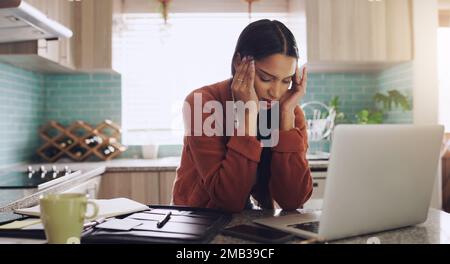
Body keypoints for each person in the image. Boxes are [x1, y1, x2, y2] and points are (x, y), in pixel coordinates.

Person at [173, 19, 313, 213]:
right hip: (196, 220)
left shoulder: (286, 109)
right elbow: (228, 200)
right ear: (239, 63)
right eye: (266, 78)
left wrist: (286, 116)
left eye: (286, 81)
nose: (276, 92)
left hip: (252, 221)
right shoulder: (202, 103)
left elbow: (293, 200)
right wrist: (249, 114)